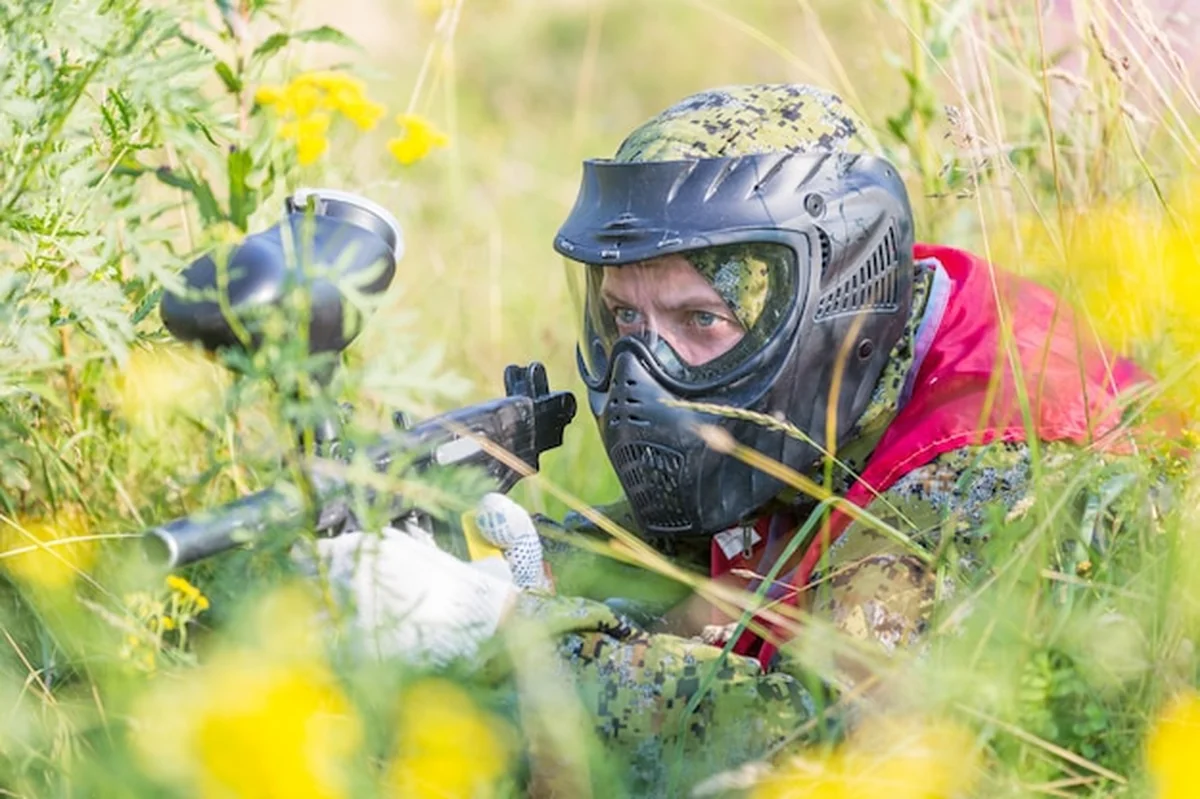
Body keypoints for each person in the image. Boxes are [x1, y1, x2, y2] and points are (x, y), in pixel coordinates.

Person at [315, 83, 1177, 795]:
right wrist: (503, 560)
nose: (646, 366)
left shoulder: (985, 466)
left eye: (700, 318)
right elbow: (714, 555)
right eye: (624, 316)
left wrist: (497, 629)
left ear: (837, 299)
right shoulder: (862, 374)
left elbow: (807, 745)